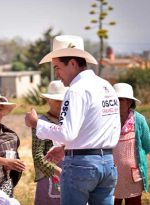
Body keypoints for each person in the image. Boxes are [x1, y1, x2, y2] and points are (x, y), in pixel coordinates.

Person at [25, 35, 121, 205]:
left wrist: (36, 123)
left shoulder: (76, 90)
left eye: (57, 67)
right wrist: (65, 148)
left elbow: (67, 132)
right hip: (107, 163)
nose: (57, 74)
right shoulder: (106, 87)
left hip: (81, 166)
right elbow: (104, 128)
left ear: (73, 63)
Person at [112, 83, 150, 205]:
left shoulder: (139, 120)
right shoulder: (108, 120)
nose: (116, 102)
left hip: (133, 177)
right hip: (112, 177)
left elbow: (147, 145)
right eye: (114, 99)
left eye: (120, 99)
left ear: (129, 102)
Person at [32, 80, 67, 205]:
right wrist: (60, 173)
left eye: (64, 100)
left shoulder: (71, 121)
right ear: (48, 100)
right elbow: (38, 157)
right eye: (57, 100)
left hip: (71, 174)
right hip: (49, 178)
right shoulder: (40, 122)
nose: (61, 104)